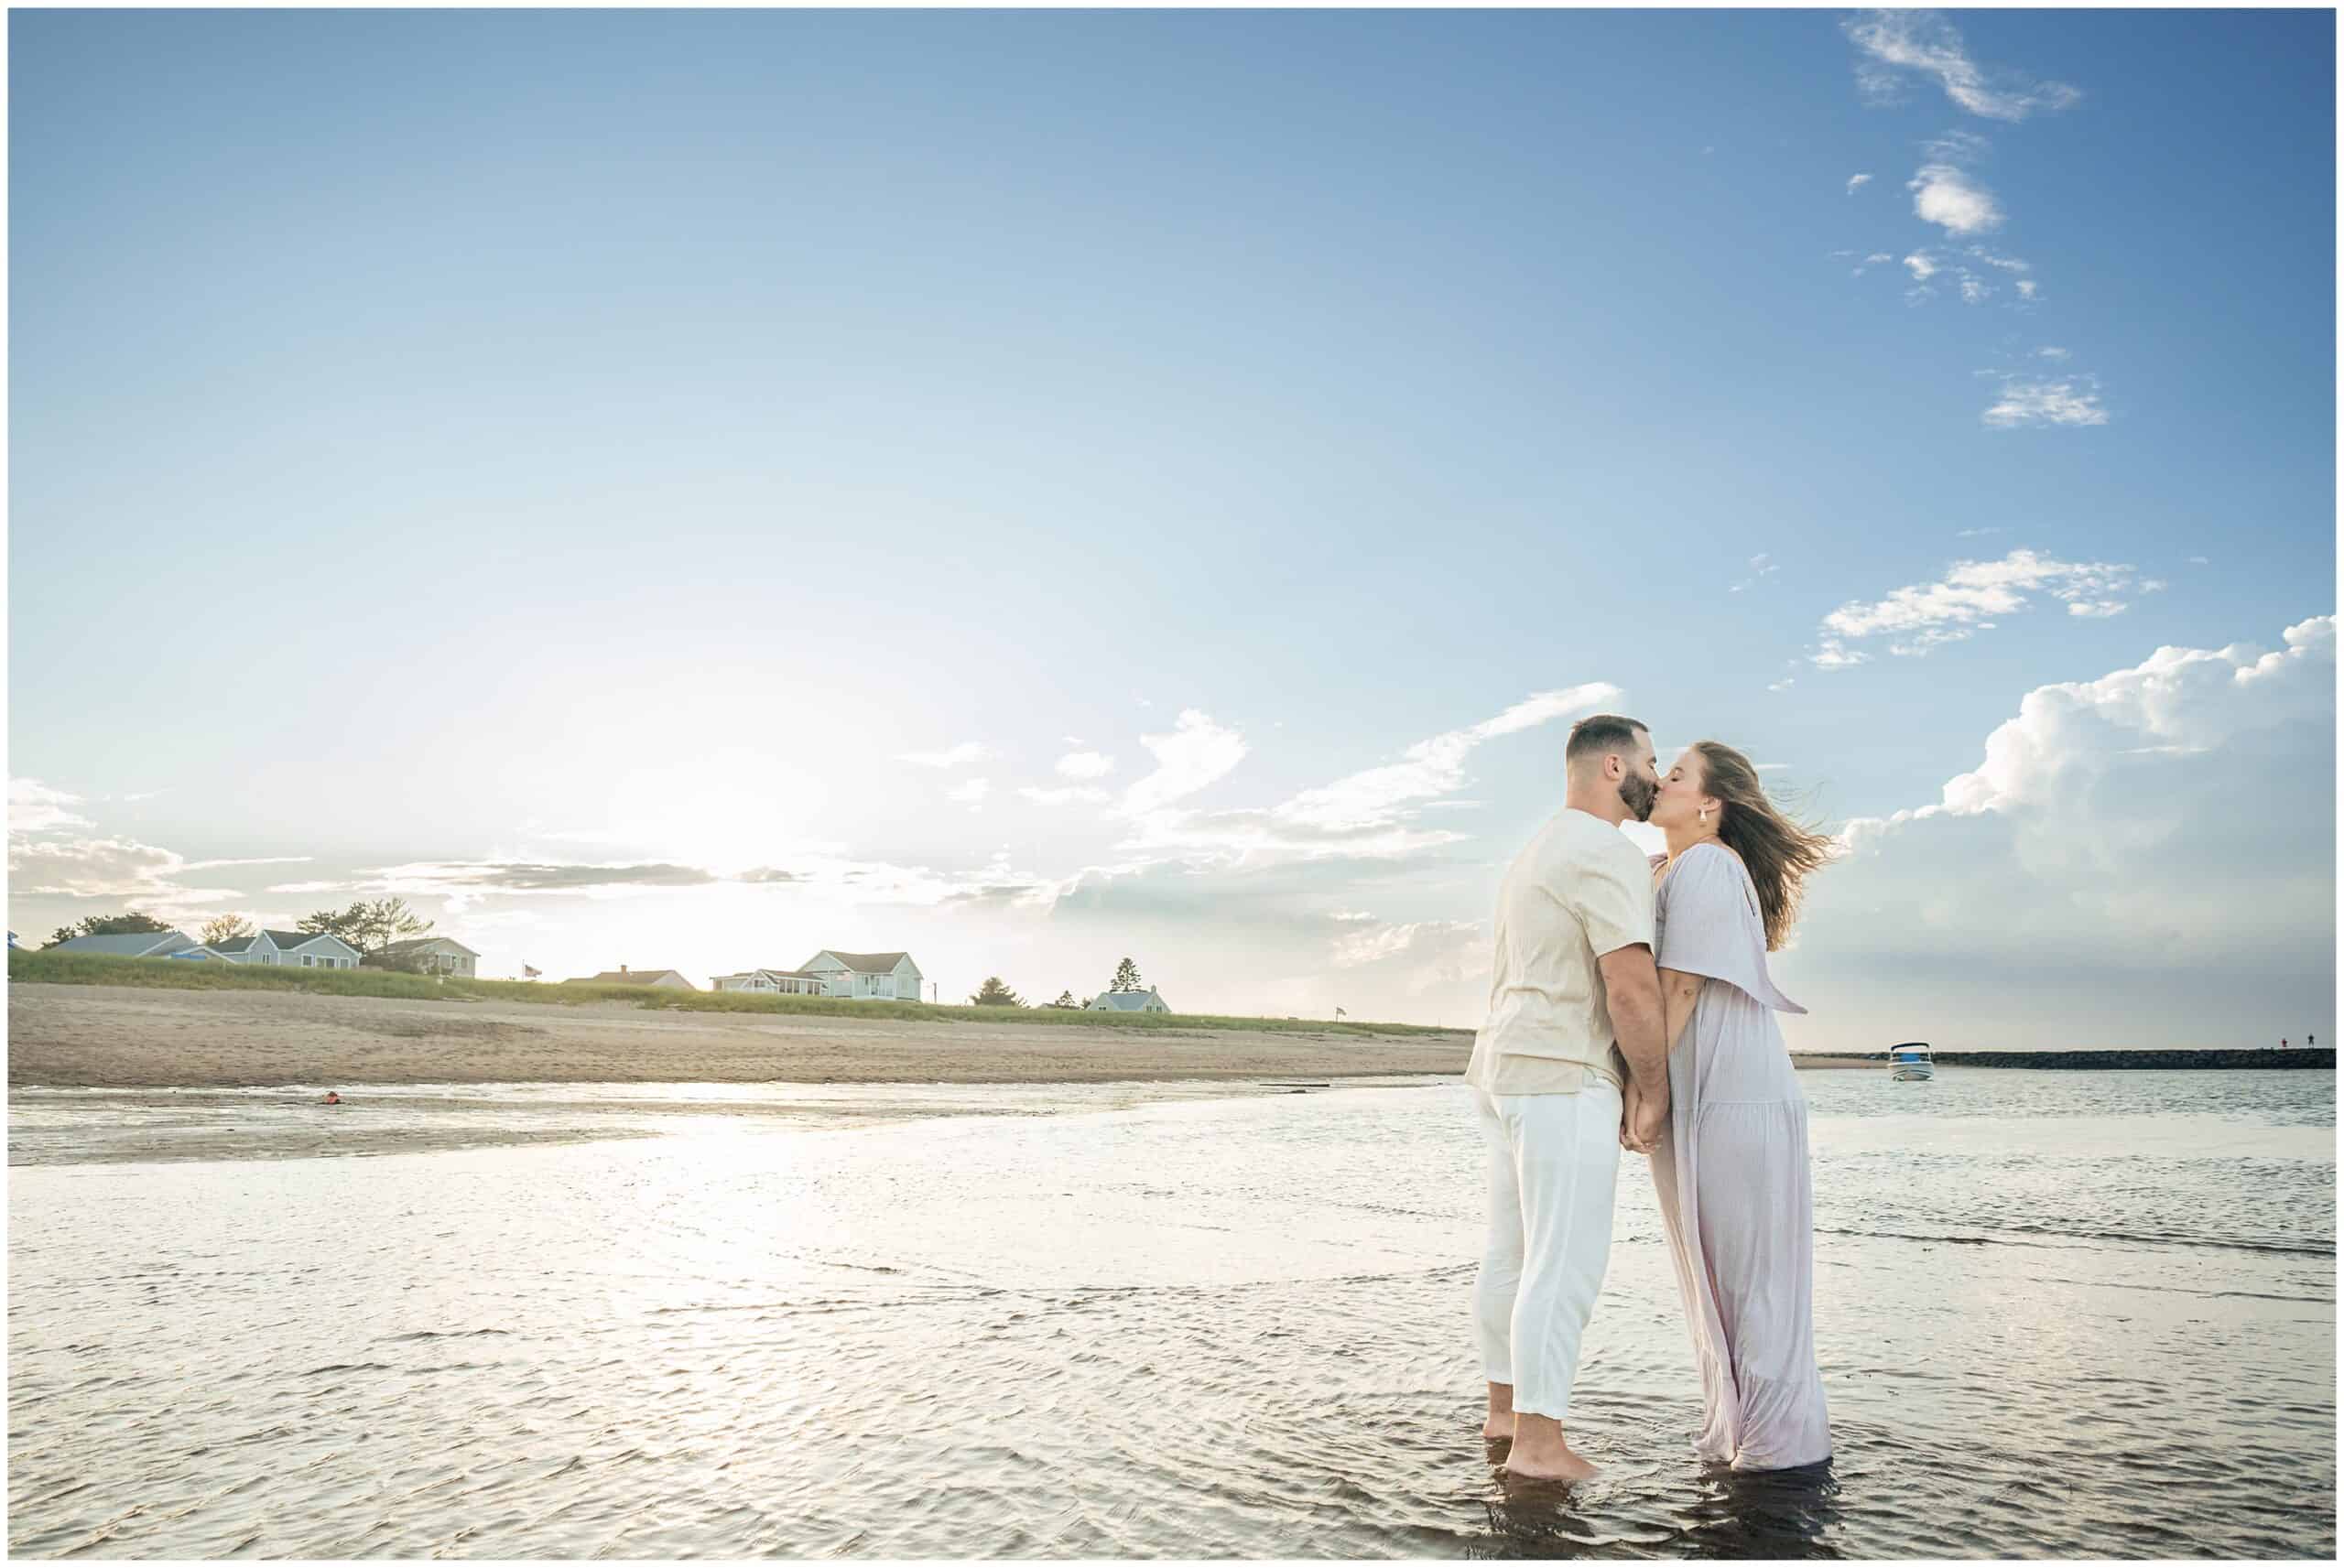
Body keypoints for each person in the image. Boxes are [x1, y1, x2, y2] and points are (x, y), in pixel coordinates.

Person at [1468, 714, 1670, 1482]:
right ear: (1615, 766)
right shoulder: (1604, 849)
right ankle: (1540, 1445)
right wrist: (1652, 1089)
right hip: (1561, 1074)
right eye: (1652, 759)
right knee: (1565, 1260)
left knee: (1513, 1255)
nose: (1657, 772)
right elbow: (1629, 986)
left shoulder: (1540, 848)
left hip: (1503, 1069)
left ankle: (1503, 1412)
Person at [1633, 741, 1835, 1471]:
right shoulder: (1672, 868)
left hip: (1737, 1098)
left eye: (1677, 775)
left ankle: (1780, 1465)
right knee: (1719, 1283)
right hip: (1714, 1096)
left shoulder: (1711, 865)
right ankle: (1747, 1450)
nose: (1660, 780)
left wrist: (1644, 1092)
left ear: (1710, 804)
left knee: (1751, 1290)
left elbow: (1679, 989)